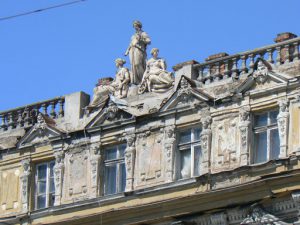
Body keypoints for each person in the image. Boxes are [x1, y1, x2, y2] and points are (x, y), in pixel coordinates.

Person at [125, 20, 151, 85]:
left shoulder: (143, 33)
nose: (135, 27)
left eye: (136, 26)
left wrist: (141, 40)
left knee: (137, 64)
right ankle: (137, 81)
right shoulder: (133, 36)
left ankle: (143, 79)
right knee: (133, 65)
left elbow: (149, 41)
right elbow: (131, 44)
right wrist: (127, 51)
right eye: (134, 26)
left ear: (139, 26)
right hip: (132, 50)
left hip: (139, 49)